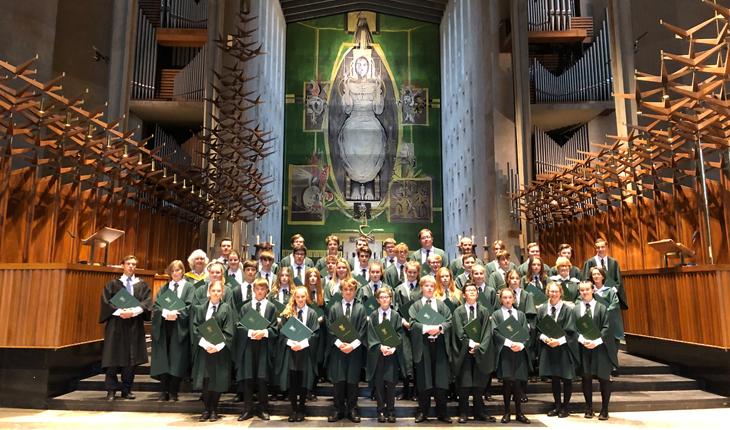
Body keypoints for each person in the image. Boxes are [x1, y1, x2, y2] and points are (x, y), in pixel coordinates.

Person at [98, 255, 152, 401]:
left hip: (134, 324)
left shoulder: (142, 285)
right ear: (122, 265)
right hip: (116, 324)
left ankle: (126, 390)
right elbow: (105, 303)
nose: (131, 267)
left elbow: (147, 303)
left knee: (131, 359)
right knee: (112, 358)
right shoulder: (113, 284)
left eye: (134, 264)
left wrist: (133, 312)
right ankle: (111, 390)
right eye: (128, 263)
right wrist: (120, 312)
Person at [408, 275, 453, 423]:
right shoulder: (416, 306)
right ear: (421, 288)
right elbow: (413, 324)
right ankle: (423, 412)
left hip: (439, 346)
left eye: (432, 286)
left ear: (435, 288)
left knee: (440, 381)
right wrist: (427, 328)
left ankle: (443, 412)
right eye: (426, 286)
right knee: (424, 381)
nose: (429, 288)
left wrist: (439, 328)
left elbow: (449, 321)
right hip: (423, 346)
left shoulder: (441, 305)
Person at [191, 280, 235, 422]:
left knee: (217, 380)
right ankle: (206, 409)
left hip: (219, 351)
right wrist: (205, 344)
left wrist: (217, 346)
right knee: (205, 380)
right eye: (213, 290)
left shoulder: (226, 308)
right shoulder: (200, 308)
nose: (216, 293)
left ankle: (214, 410)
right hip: (204, 350)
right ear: (209, 292)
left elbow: (229, 330)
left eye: (219, 291)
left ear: (222, 293)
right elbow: (196, 328)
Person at [451, 283, 496, 423]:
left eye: (474, 290)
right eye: (468, 290)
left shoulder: (483, 311)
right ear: (463, 294)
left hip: (480, 352)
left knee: (479, 383)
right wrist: (470, 344)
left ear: (477, 294)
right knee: (464, 383)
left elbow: (487, 331)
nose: (471, 292)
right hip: (464, 352)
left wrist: (480, 346)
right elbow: (458, 331)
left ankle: (479, 412)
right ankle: (463, 412)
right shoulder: (458, 311)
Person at [150, 260, 195, 401]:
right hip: (164, 327)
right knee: (164, 358)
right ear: (170, 272)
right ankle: (164, 391)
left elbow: (190, 306)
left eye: (178, 270)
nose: (176, 273)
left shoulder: (189, 287)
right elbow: (157, 306)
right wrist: (164, 313)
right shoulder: (165, 288)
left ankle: (174, 391)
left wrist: (176, 313)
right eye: (173, 271)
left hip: (179, 327)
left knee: (177, 359)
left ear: (183, 271)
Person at [574, 281, 618, 420]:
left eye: (587, 289)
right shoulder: (576, 309)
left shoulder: (602, 308)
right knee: (586, 378)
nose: (584, 292)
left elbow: (607, 328)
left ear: (592, 290)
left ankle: (605, 410)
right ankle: (589, 408)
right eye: (581, 290)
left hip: (601, 348)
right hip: (584, 347)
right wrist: (582, 340)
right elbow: (572, 328)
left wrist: (596, 341)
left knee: (604, 378)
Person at [235, 279, 278, 421]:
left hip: (264, 346)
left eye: (263, 289)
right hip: (248, 345)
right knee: (248, 378)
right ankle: (247, 409)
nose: (260, 291)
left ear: (267, 291)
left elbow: (274, 328)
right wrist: (250, 333)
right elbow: (239, 326)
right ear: (253, 290)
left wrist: (264, 333)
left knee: (262, 378)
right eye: (257, 289)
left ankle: (263, 409)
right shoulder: (246, 307)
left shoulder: (271, 307)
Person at [326, 279, 367, 423]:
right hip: (338, 350)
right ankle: (338, 409)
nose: (348, 292)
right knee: (338, 380)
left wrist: (353, 345)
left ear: (355, 291)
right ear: (341, 291)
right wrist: (339, 344)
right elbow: (330, 328)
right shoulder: (334, 308)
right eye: (345, 290)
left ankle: (352, 408)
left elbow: (363, 330)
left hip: (354, 351)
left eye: (351, 290)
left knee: (352, 380)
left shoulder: (361, 308)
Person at [277, 286, 320, 422]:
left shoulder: (312, 313)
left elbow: (315, 333)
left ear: (306, 297)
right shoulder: (288, 313)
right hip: (291, 352)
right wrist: (291, 343)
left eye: (303, 297)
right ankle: (293, 410)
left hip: (305, 352)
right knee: (292, 382)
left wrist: (302, 344)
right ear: (294, 297)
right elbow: (282, 333)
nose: (300, 299)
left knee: (303, 382)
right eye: (298, 297)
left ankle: (301, 409)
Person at [536, 282, 578, 418]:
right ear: (547, 292)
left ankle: (565, 407)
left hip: (564, 348)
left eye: (556, 291)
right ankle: (557, 406)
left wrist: (558, 341)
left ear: (561, 293)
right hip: (548, 347)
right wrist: (545, 339)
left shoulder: (568, 309)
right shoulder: (542, 309)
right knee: (554, 378)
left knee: (566, 378)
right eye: (551, 291)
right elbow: (537, 329)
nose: (554, 294)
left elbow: (571, 330)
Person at [491, 288, 531, 424]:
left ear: (514, 299)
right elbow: (495, 332)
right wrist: (508, 343)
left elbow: (526, 332)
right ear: (501, 299)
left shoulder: (520, 315)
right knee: (507, 382)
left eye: (510, 297)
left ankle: (519, 412)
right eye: (505, 298)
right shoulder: (497, 315)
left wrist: (521, 344)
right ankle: (507, 412)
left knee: (519, 382)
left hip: (519, 351)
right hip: (505, 351)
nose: (507, 300)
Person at [366, 286, 403, 423]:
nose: (384, 299)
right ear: (377, 299)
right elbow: (371, 334)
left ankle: (391, 411)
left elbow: (400, 333)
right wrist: (380, 346)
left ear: (391, 299)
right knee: (379, 383)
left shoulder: (396, 315)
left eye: (386, 297)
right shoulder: (374, 316)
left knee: (391, 383)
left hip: (392, 354)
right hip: (378, 354)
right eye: (381, 297)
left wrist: (393, 348)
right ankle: (381, 410)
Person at [230, 258, 261, 403]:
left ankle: (254, 390)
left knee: (255, 363)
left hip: (258, 331)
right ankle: (240, 391)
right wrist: (241, 324)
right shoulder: (237, 289)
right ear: (244, 272)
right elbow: (234, 309)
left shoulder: (260, 288)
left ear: (256, 272)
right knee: (241, 361)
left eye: (253, 270)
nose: (250, 272)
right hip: (242, 330)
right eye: (248, 270)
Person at [393, 260, 421, 401]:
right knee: (405, 358)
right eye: (409, 272)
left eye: (414, 272)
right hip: (403, 328)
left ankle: (416, 390)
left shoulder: (421, 289)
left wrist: (416, 323)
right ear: (405, 272)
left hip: (418, 329)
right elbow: (396, 308)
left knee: (417, 358)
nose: (411, 274)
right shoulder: (399, 289)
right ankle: (405, 390)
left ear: (418, 273)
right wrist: (403, 321)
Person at [589, 266, 624, 360]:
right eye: (594, 274)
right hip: (596, 322)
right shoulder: (590, 291)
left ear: (603, 276)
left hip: (609, 320)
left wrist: (603, 312)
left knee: (612, 345)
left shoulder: (610, 291)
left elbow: (615, 304)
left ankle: (613, 365)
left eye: (598, 274)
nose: (596, 276)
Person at [582, 238, 627, 310]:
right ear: (595, 248)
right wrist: (593, 290)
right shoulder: (590, 262)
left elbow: (618, 280)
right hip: (595, 296)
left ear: (606, 247)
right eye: (598, 247)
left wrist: (613, 291)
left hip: (610, 296)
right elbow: (586, 280)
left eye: (602, 247)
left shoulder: (613, 262)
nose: (600, 249)